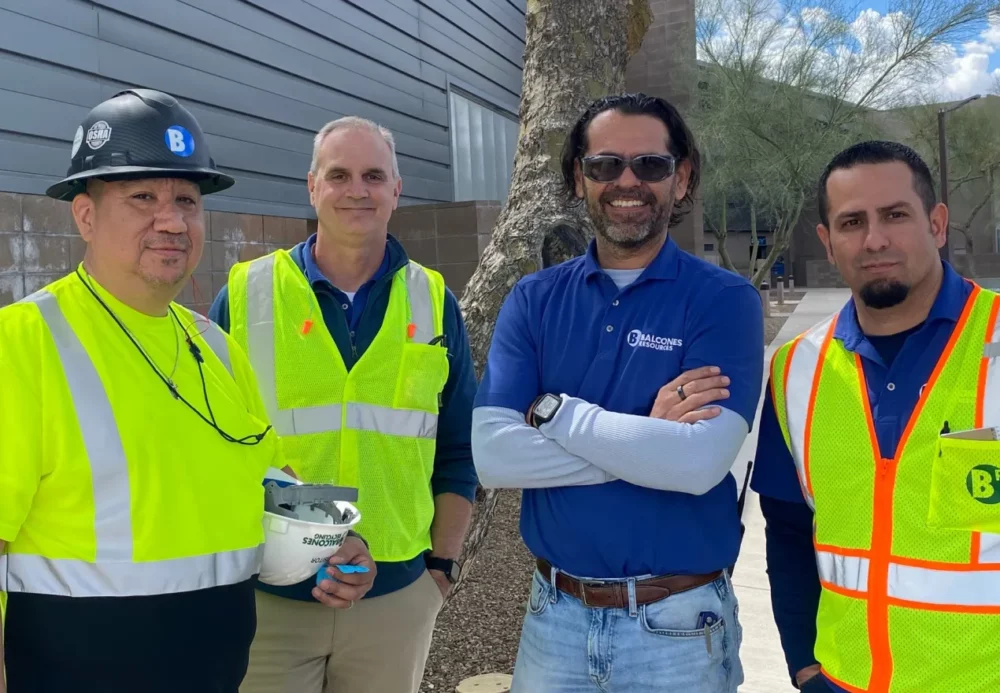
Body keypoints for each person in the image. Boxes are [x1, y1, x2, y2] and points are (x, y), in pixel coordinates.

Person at [0, 89, 375, 693]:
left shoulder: (217, 346)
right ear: (86, 215)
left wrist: (336, 540)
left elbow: (264, 480)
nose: (172, 220)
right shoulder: (20, 345)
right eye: (142, 197)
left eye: (187, 200)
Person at [471, 92, 763, 692]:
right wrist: (643, 435)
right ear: (579, 178)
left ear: (681, 178)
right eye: (605, 165)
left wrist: (552, 412)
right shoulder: (533, 299)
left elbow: (697, 463)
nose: (626, 181)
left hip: (678, 629)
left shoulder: (723, 300)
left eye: (649, 165)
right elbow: (494, 457)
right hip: (552, 619)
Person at [208, 115, 478, 693]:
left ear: (396, 191)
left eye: (374, 175)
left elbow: (459, 449)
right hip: (268, 602)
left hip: (397, 601)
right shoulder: (244, 295)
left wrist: (441, 571)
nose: (357, 189)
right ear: (313, 187)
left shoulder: (435, 303)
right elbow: (211, 451)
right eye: (339, 175)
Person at [751, 140, 1000, 693]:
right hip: (842, 681)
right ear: (828, 241)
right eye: (851, 222)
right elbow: (788, 534)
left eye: (895, 215)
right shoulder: (796, 371)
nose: (875, 239)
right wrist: (803, 667)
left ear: (936, 223)